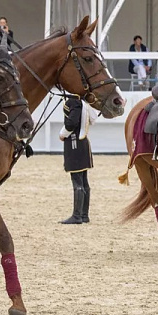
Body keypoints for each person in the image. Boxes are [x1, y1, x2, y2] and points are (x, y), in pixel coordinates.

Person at [58, 93, 94, 224]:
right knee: (84, 180)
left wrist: (63, 134)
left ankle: (77, 215)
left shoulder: (73, 102)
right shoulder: (83, 102)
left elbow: (71, 122)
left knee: (77, 180)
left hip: (74, 142)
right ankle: (84, 214)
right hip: (83, 142)